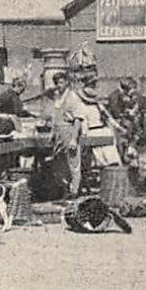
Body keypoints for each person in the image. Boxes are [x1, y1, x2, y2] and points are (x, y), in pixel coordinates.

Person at [48, 69, 84, 198]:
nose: (59, 85)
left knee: (73, 165)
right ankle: (65, 190)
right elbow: (55, 118)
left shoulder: (73, 97)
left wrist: (74, 138)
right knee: (59, 164)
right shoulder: (58, 97)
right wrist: (52, 133)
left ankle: (74, 193)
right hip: (59, 134)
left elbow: (78, 119)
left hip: (69, 131)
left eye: (61, 82)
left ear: (67, 82)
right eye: (57, 82)